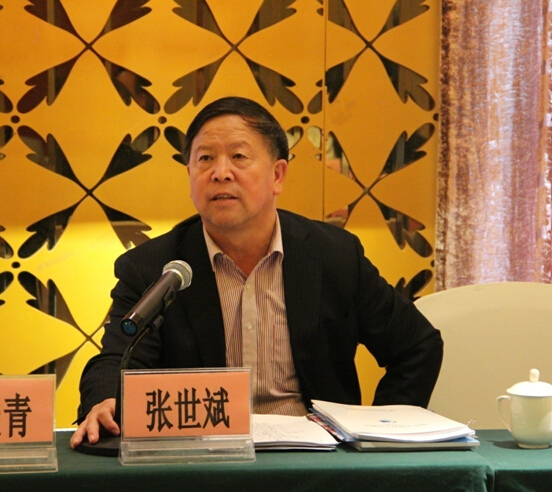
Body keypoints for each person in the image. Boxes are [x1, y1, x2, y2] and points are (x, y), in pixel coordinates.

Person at [70, 96, 443, 449]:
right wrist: (105, 399)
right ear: (190, 175)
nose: (220, 173)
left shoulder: (334, 256)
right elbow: (118, 360)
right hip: (204, 461)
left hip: (317, 463)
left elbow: (417, 346)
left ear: (278, 175)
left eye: (238, 157)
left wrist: (378, 434)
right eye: (205, 159)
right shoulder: (155, 267)